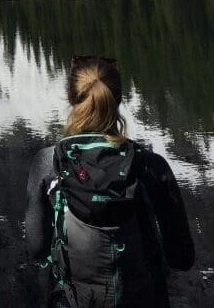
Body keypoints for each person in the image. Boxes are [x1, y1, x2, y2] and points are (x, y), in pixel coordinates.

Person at [25, 56, 194, 308]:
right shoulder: (151, 166)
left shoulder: (49, 164)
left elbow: (37, 248)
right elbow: (182, 257)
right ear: (118, 99)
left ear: (71, 98)